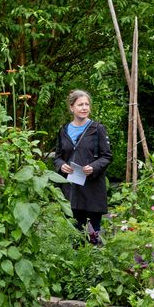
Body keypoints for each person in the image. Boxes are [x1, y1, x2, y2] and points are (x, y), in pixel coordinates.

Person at [53, 90, 112, 243]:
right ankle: (76, 265)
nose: (84, 108)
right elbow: (58, 156)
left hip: (91, 190)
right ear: (71, 108)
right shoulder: (63, 130)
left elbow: (107, 156)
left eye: (87, 104)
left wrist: (93, 167)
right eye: (80, 105)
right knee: (74, 235)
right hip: (71, 190)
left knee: (93, 236)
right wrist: (61, 165)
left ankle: (94, 263)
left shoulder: (97, 129)